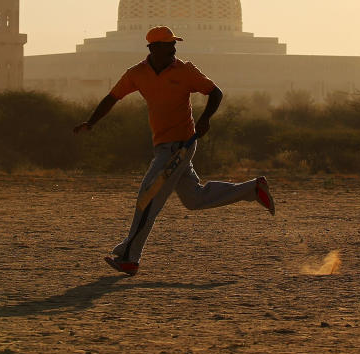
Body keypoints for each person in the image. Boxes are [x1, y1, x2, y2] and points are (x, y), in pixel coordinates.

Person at [74, 25, 276, 275]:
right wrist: (91, 122)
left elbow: (216, 93)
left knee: (148, 198)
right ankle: (252, 188)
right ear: (154, 48)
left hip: (180, 145)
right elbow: (112, 97)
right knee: (194, 199)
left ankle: (129, 257)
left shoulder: (185, 70)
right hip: (162, 146)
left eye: (174, 44)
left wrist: (205, 119)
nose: (174, 47)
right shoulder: (137, 74)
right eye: (169, 44)